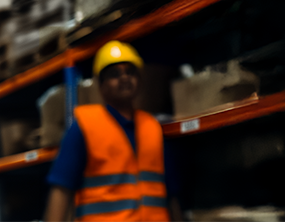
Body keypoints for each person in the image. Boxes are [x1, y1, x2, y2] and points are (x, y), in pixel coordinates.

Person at [43, 41, 182, 221]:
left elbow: (170, 193)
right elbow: (61, 190)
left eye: (130, 72)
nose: (124, 78)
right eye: (114, 74)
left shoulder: (152, 127)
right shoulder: (84, 127)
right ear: (101, 85)